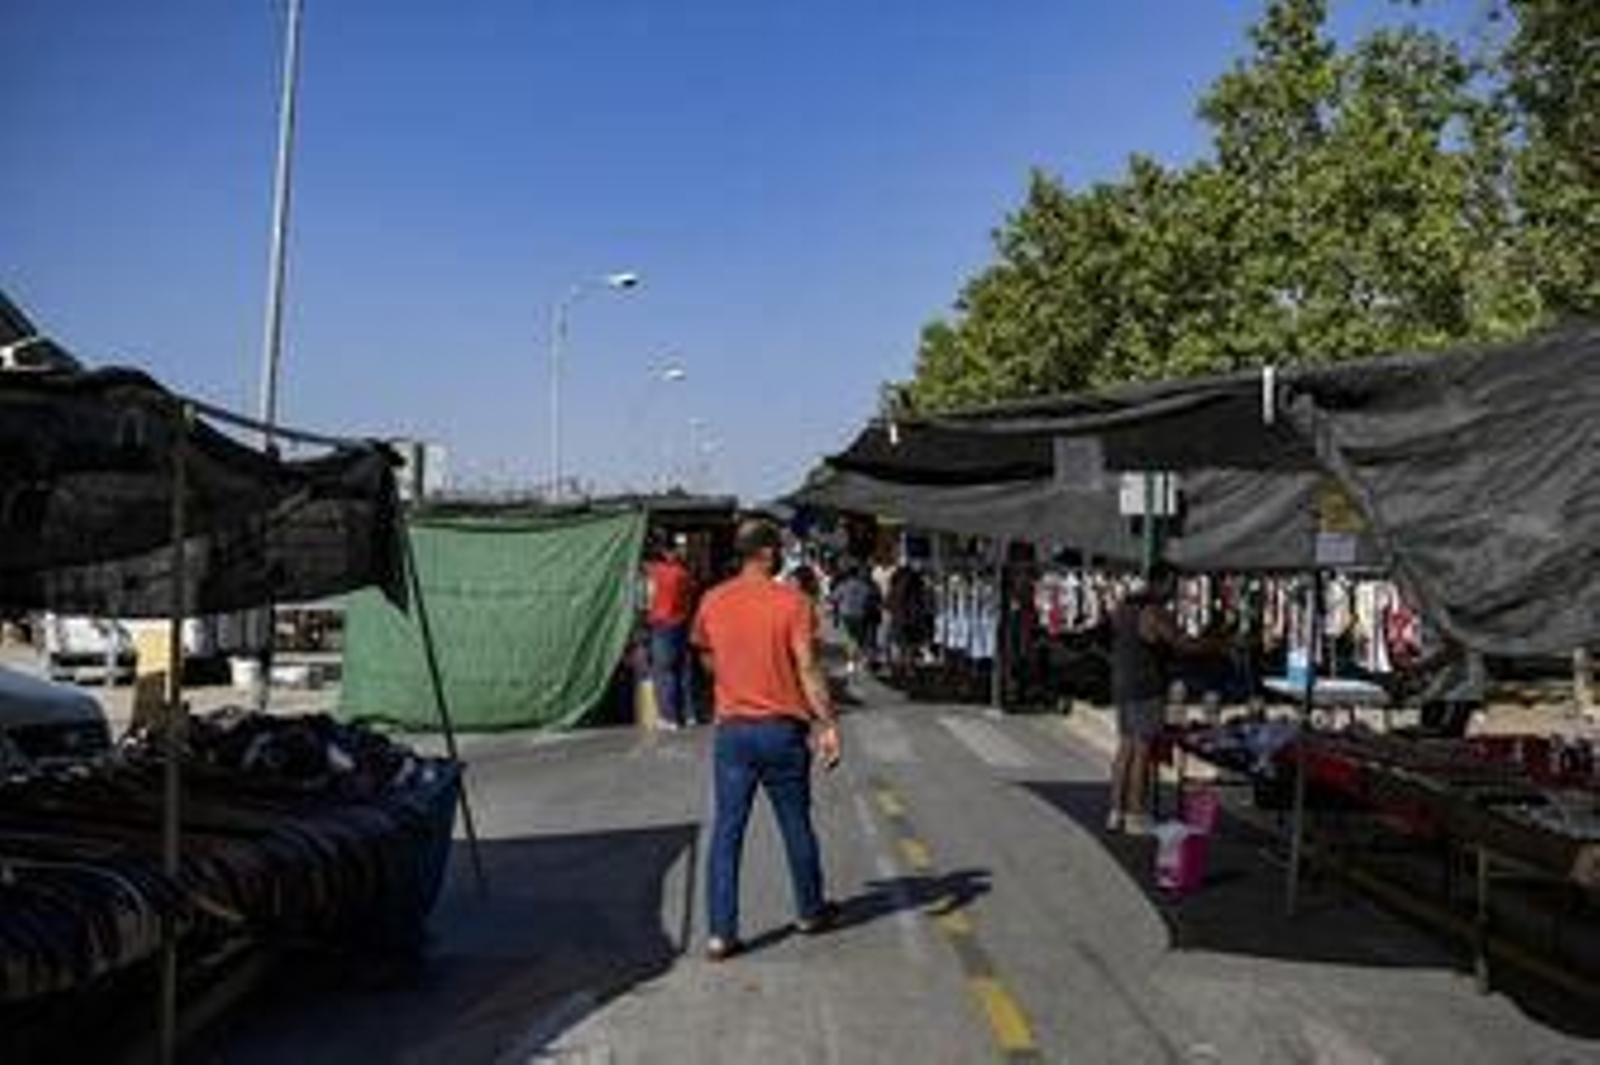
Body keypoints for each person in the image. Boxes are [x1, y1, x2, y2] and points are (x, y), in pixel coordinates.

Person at [692, 519, 841, 961]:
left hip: (733, 732)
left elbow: (704, 653)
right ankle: (810, 912)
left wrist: (733, 679)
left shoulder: (713, 601)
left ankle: (721, 933)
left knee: (727, 832)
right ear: (769, 554)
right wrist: (828, 723)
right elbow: (809, 668)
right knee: (795, 823)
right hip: (782, 731)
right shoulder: (794, 603)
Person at [1108, 563, 1208, 835]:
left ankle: (1116, 811)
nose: (1175, 591)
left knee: (1126, 748)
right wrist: (1215, 643)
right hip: (1145, 687)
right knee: (1142, 750)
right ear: (1162, 582)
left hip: (1123, 684)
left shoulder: (1125, 605)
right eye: (1173, 584)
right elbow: (1182, 643)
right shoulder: (1153, 610)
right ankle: (1135, 814)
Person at [645, 534, 697, 729]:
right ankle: (689, 714)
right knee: (683, 670)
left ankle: (668, 717)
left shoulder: (656, 572)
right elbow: (691, 597)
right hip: (682, 623)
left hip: (661, 624)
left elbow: (647, 598)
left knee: (664, 671)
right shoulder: (684, 574)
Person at [830, 564, 881, 677]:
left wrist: (836, 617)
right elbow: (873, 600)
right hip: (862, 616)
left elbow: (834, 599)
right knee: (862, 640)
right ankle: (864, 664)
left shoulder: (843, 585)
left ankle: (851, 664)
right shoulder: (865, 586)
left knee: (851, 640)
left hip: (847, 616)